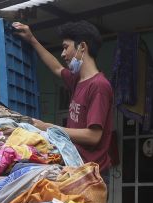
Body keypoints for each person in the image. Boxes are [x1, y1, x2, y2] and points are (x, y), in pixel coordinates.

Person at [12, 20, 113, 184]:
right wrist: (32, 40)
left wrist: (47, 127)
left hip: (92, 174)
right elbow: (57, 69)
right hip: (76, 167)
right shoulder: (77, 80)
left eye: (66, 47)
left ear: (82, 47)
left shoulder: (99, 86)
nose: (63, 54)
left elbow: (93, 136)